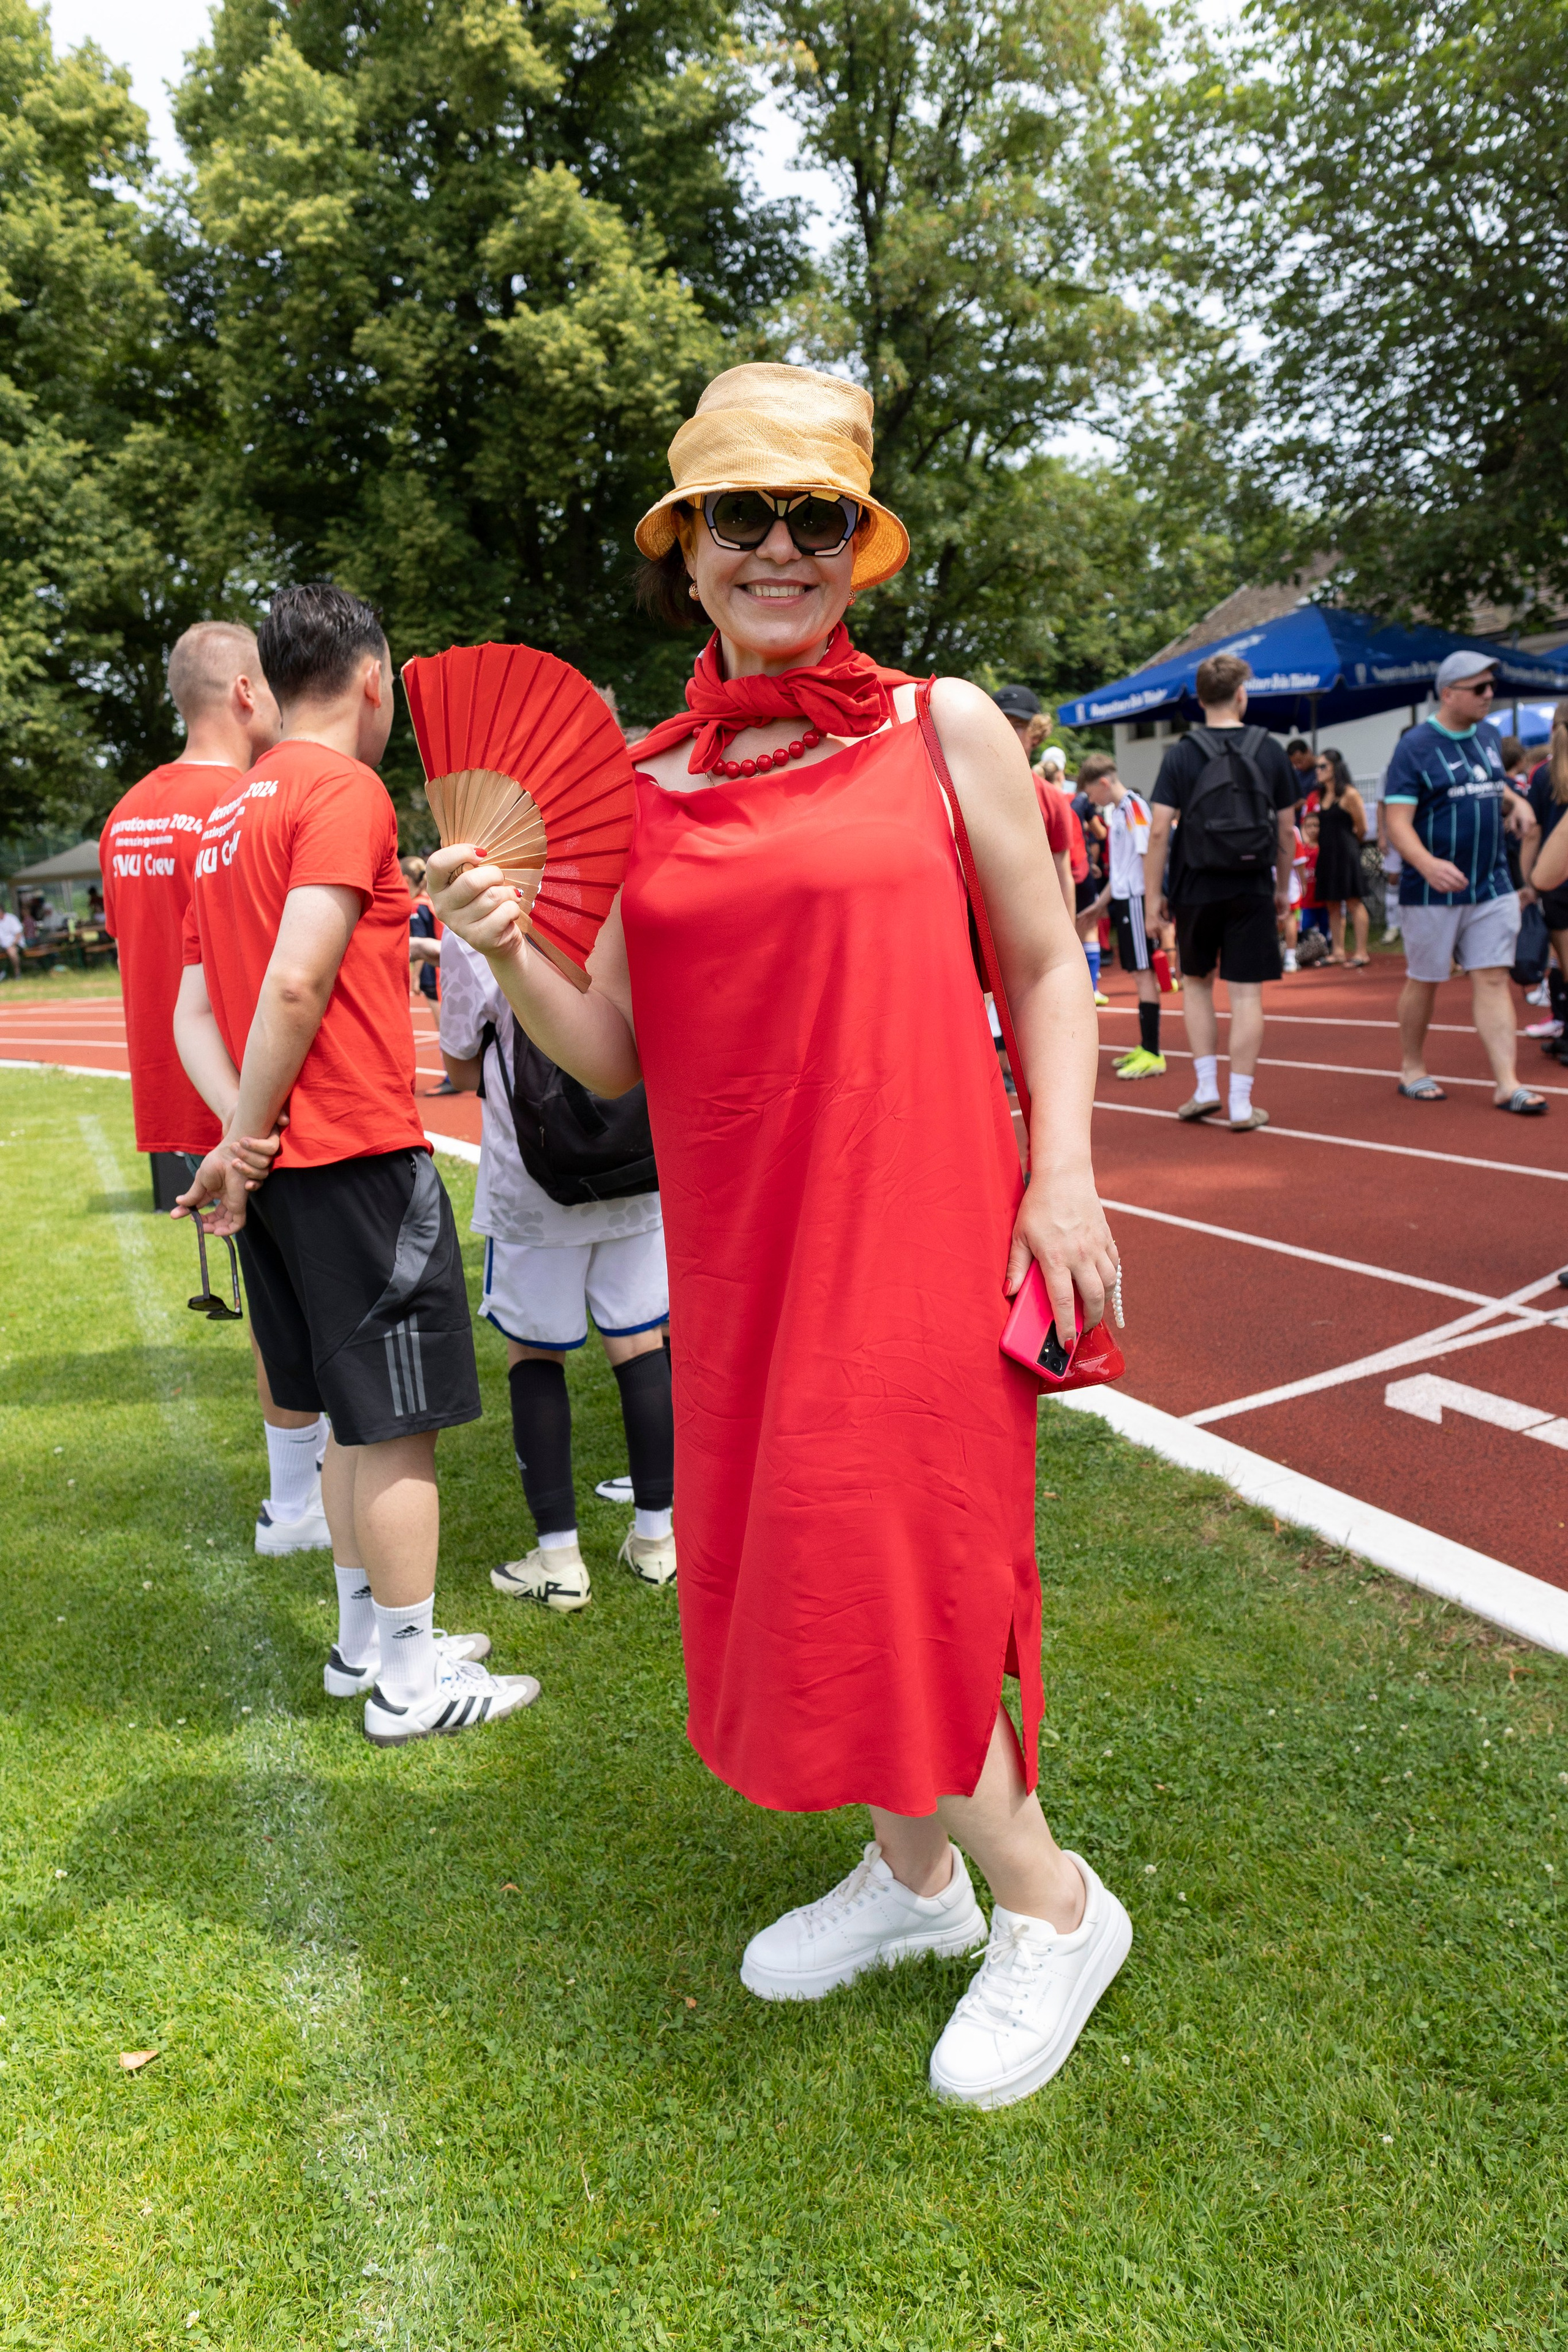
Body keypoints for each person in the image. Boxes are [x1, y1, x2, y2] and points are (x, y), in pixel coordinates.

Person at [431, 361, 1130, 2109]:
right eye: (742, 516)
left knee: (899, 1557)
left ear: (855, 542)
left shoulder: (940, 726)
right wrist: (512, 942)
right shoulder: (648, 777)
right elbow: (610, 1050)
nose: (780, 548)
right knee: (810, 1557)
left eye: (815, 515)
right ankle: (915, 1882)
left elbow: (1048, 964)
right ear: (687, 550)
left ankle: (1053, 1902)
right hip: (746, 1244)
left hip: (922, 1217)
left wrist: (1065, 1178)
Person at [172, 582, 540, 1744]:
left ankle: (364, 1642)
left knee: (344, 1412)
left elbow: (192, 1008)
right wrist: (250, 1134)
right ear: (376, 677)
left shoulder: (236, 805)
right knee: (397, 1422)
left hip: (280, 1158)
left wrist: (240, 1133)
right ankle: (411, 1681)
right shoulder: (344, 788)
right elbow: (297, 977)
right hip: (346, 1148)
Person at [99, 621, 332, 1554]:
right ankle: (301, 1501)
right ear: (246, 694)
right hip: (260, 1095)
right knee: (302, 1305)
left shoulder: (125, 815)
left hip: (180, 1093)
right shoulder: (250, 803)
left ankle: (297, 1496)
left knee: (267, 1297)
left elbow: (142, 953)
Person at [438, 927, 675, 1608]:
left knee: (534, 1355)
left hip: (535, 1181)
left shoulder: (480, 908)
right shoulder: (630, 893)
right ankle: (657, 1541)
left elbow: (458, 1067)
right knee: (640, 1343)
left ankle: (558, 1558)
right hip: (635, 1159)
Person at [1383, 652, 1545, 1114]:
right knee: (1426, 979)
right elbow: (1397, 822)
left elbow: (1490, 782)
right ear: (1449, 693)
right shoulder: (1414, 746)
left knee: (1493, 978)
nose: (1489, 695)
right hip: (1433, 889)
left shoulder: (1491, 735)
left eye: (1491, 687)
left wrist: (1516, 802)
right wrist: (1427, 864)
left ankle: (1506, 1083)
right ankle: (1412, 1067)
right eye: (1479, 689)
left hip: (1491, 882)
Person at [1143, 652, 1298, 1131]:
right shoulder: (1269, 749)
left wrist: (1153, 898)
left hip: (1196, 884)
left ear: (1199, 699)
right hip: (1251, 883)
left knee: (1197, 984)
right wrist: (1281, 884)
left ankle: (1206, 1088)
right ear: (1241, 695)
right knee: (1247, 995)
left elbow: (1158, 831)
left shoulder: (1182, 753)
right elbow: (1288, 831)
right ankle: (1243, 1103)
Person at [1078, 755, 1163, 1077]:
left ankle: (1154, 1052)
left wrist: (1152, 904)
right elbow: (1123, 869)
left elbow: (1147, 855)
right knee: (1137, 971)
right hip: (1127, 900)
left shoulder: (1134, 807)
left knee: (1143, 972)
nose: (1093, 803)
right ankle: (1146, 1046)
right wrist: (1100, 905)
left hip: (1138, 900)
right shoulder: (1118, 813)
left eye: (1092, 794)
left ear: (1104, 783)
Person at [1520, 700, 1568, 1066]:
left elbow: (1533, 831)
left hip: (1556, 881)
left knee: (1564, 962)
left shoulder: (1542, 774)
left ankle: (1565, 1027)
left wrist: (1529, 881)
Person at [1311, 748, 1370, 964]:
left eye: (1323, 766)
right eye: (1317, 766)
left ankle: (1361, 953)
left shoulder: (1350, 794)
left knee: (1354, 900)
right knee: (1332, 903)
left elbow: (1362, 827)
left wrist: (1353, 845)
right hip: (1327, 854)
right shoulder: (1321, 795)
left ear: (1335, 768)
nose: (1318, 770)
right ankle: (1338, 951)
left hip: (1346, 853)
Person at [401, 854, 442, 1001]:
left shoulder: (416, 907)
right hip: (445, 964)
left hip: (431, 972)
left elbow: (420, 942)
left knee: (443, 1023)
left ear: (406, 880)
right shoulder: (430, 901)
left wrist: (416, 977)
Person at [1285, 739, 1315, 808]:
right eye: (1294, 764)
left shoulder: (1322, 771)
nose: (1298, 766)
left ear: (1308, 751)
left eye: (1300, 761)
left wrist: (1306, 803)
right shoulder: (1296, 774)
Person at [0, 905, 20, 979]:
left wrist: (13, 945)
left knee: (12, 952)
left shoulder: (11, 918)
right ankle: (2, 972)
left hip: (14, 943)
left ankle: (17, 972)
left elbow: (18, 934)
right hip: (2, 945)